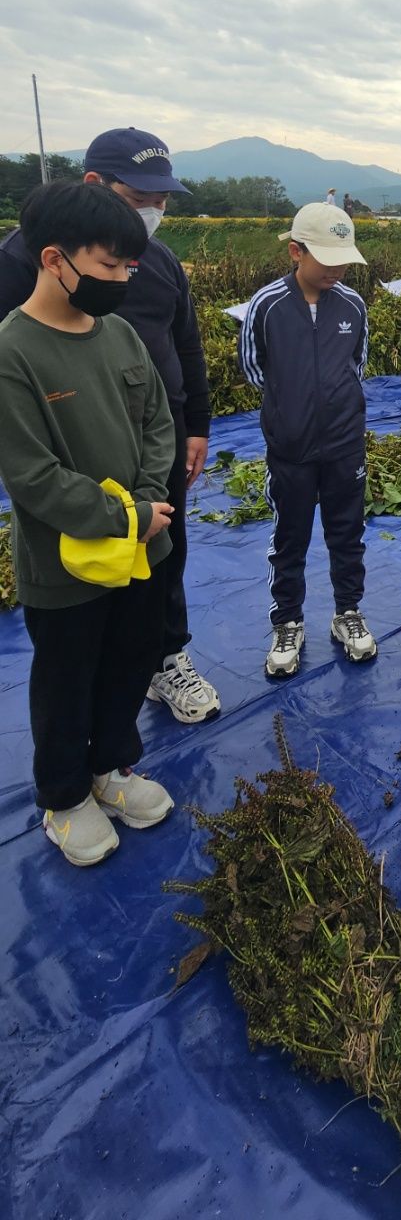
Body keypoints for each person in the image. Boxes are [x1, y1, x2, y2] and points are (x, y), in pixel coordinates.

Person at [0, 127, 219, 725]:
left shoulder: (161, 261)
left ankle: (163, 657)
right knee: (82, 574)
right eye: (140, 196)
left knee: (160, 552)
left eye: (163, 200)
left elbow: (186, 344)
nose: (154, 212)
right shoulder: (24, 262)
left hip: (156, 439)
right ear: (94, 185)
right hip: (74, 449)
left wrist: (194, 424)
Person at [0, 181, 177, 866]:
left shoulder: (121, 334)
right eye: (108, 267)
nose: (122, 280)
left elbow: (157, 420)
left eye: (128, 266)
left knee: (128, 663)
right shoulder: (14, 352)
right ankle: (65, 796)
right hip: (67, 565)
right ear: (55, 260)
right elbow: (32, 475)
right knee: (67, 679)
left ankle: (110, 769)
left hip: (143, 547)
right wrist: (124, 513)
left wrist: (147, 498)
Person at [239, 203, 376, 679]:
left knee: (347, 531)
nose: (336, 270)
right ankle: (288, 621)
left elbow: (356, 366)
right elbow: (256, 370)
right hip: (291, 448)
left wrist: (335, 406)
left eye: (343, 261)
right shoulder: (268, 305)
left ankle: (348, 612)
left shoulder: (352, 305)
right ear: (296, 251)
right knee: (289, 537)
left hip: (344, 444)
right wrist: (289, 410)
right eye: (326, 260)